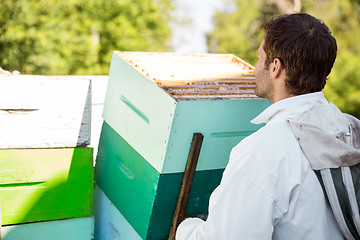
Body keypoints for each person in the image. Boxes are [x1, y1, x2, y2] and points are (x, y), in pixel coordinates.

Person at [175, 12, 357, 239]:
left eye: (259, 57)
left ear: (275, 67)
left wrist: (185, 229)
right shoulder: (351, 129)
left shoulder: (264, 152)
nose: (256, 66)